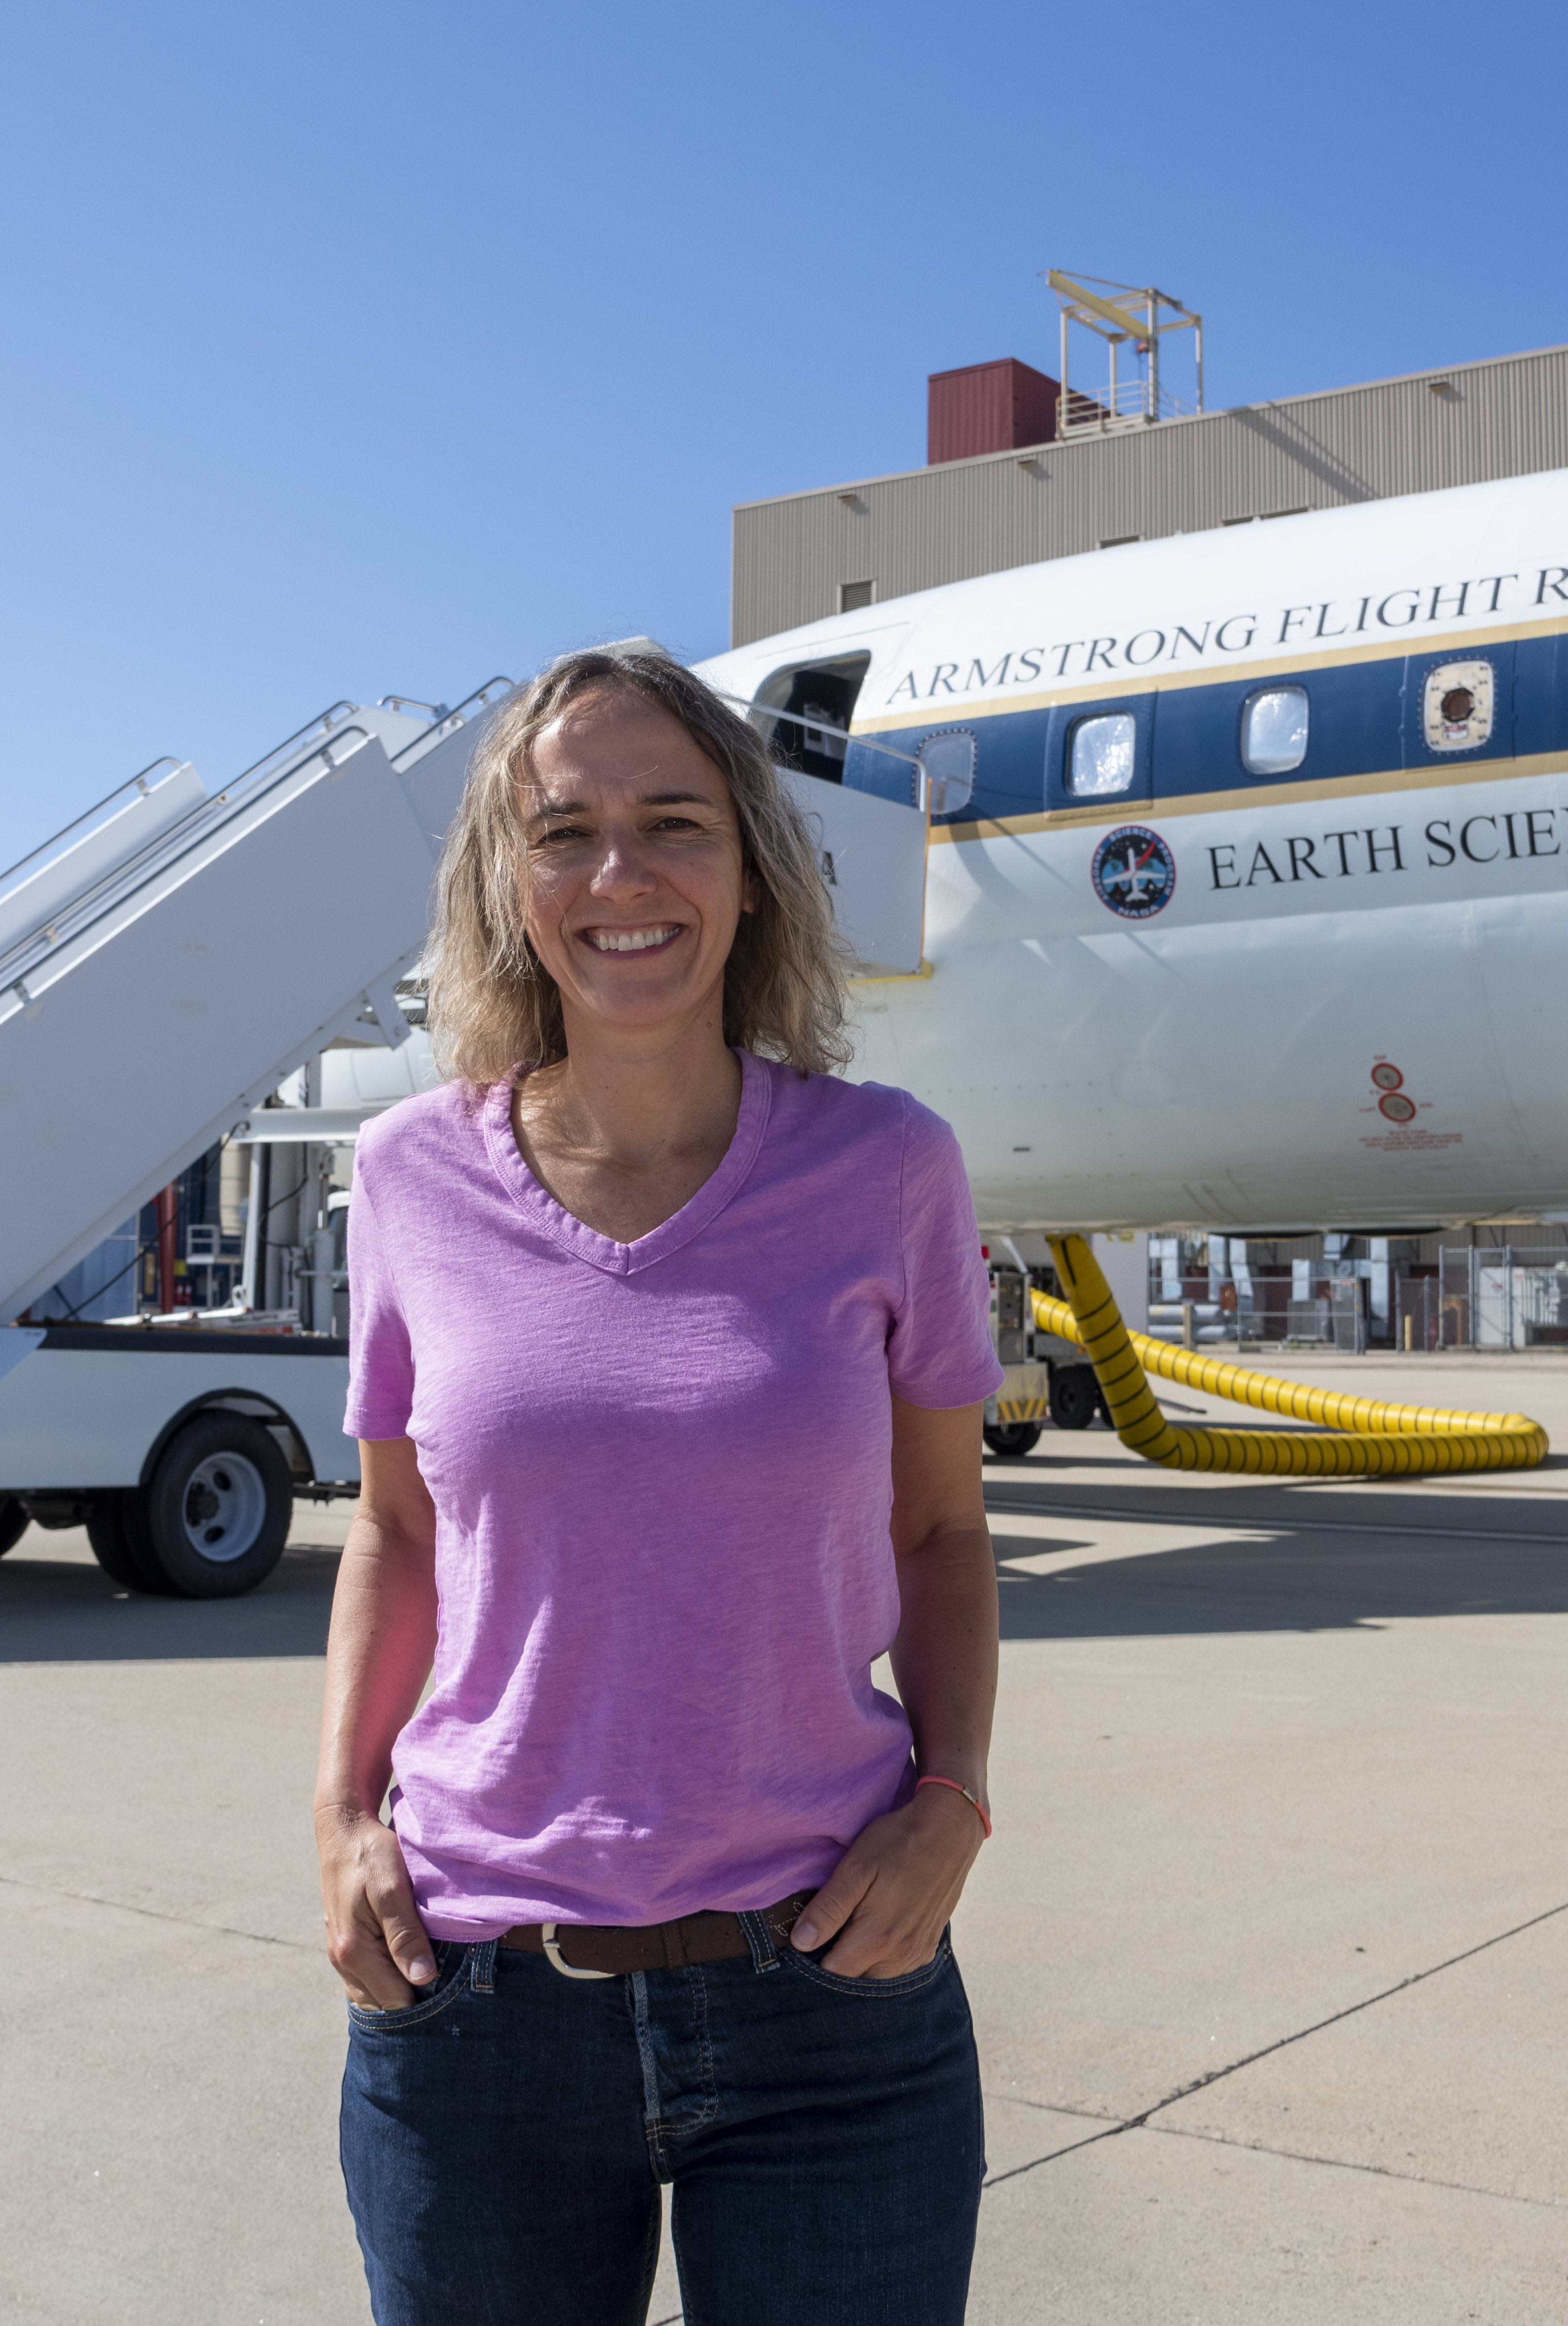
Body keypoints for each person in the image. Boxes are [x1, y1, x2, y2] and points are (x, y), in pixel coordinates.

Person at [314, 645, 1004, 2326]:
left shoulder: (886, 1163)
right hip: (475, 2003)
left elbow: (939, 1528)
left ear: (752, 868)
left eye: (673, 822)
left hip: (833, 1993)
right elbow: (398, 1529)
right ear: (509, 881)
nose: (620, 876)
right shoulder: (408, 1175)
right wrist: (339, 1818)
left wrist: (955, 1796)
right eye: (565, 830)